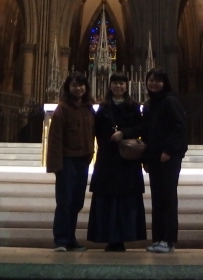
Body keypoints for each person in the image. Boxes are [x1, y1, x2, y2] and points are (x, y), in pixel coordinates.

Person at [87, 72, 147, 251]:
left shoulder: (134, 106)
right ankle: (109, 238)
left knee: (126, 201)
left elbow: (140, 127)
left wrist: (124, 133)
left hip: (127, 161)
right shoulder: (103, 107)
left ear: (126, 86)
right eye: (115, 83)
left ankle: (124, 237)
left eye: (122, 83)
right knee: (107, 200)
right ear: (110, 85)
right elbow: (96, 130)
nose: (118, 86)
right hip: (107, 159)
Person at [46, 72, 95, 252]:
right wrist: (56, 165)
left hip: (82, 160)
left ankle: (71, 238)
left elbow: (92, 133)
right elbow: (55, 138)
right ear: (68, 87)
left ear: (86, 87)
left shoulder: (88, 108)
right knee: (65, 201)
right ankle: (60, 239)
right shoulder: (62, 109)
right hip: (67, 161)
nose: (78, 88)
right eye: (74, 85)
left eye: (81, 85)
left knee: (76, 202)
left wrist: (90, 154)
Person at [141, 67, 187, 253]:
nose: (154, 83)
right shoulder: (150, 104)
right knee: (157, 199)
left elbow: (180, 128)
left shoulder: (170, 101)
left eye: (158, 80)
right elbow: (147, 133)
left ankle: (168, 240)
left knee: (168, 198)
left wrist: (169, 150)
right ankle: (158, 238)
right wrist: (146, 158)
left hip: (168, 158)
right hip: (154, 158)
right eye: (151, 80)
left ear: (164, 83)